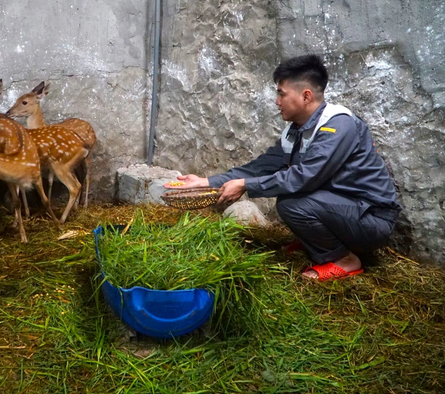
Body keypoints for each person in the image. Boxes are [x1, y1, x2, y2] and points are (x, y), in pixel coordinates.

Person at [166, 54, 401, 281]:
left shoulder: (338, 126)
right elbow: (261, 167)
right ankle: (317, 242)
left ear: (306, 96)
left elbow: (305, 177)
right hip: (344, 210)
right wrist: (207, 181)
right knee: (292, 199)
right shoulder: (296, 130)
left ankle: (344, 259)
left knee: (291, 203)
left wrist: (246, 186)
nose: (277, 102)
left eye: (281, 94)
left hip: (371, 218)